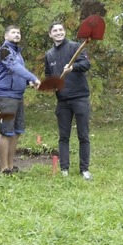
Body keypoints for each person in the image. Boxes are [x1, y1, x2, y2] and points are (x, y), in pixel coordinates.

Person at [45, 21, 92, 180]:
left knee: (83, 135)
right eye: (55, 31)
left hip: (80, 98)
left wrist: (73, 68)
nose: (58, 33)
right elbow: (48, 75)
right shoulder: (49, 54)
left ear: (64, 32)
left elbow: (86, 64)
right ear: (50, 34)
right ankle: (64, 169)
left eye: (60, 30)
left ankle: (84, 170)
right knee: (63, 136)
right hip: (62, 101)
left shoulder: (75, 47)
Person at [0, 25, 40, 174]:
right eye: (13, 32)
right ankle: (3, 168)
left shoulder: (17, 53)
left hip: (18, 96)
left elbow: (17, 74)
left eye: (18, 32)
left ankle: (11, 166)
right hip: (5, 96)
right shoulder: (4, 51)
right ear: (6, 36)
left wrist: (28, 82)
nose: (16, 35)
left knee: (16, 131)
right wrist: (33, 77)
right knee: (6, 132)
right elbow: (14, 67)